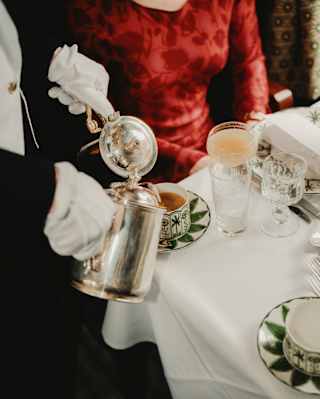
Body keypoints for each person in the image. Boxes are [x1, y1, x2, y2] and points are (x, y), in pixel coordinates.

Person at [0, 1, 117, 397]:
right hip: (28, 192)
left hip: (35, 229)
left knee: (48, 352)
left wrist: (53, 60)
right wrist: (45, 189)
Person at [66, 0, 269, 182]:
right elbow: (98, 115)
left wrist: (253, 120)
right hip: (135, 162)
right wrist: (190, 162)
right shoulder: (91, 7)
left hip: (213, 145)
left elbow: (249, 62)